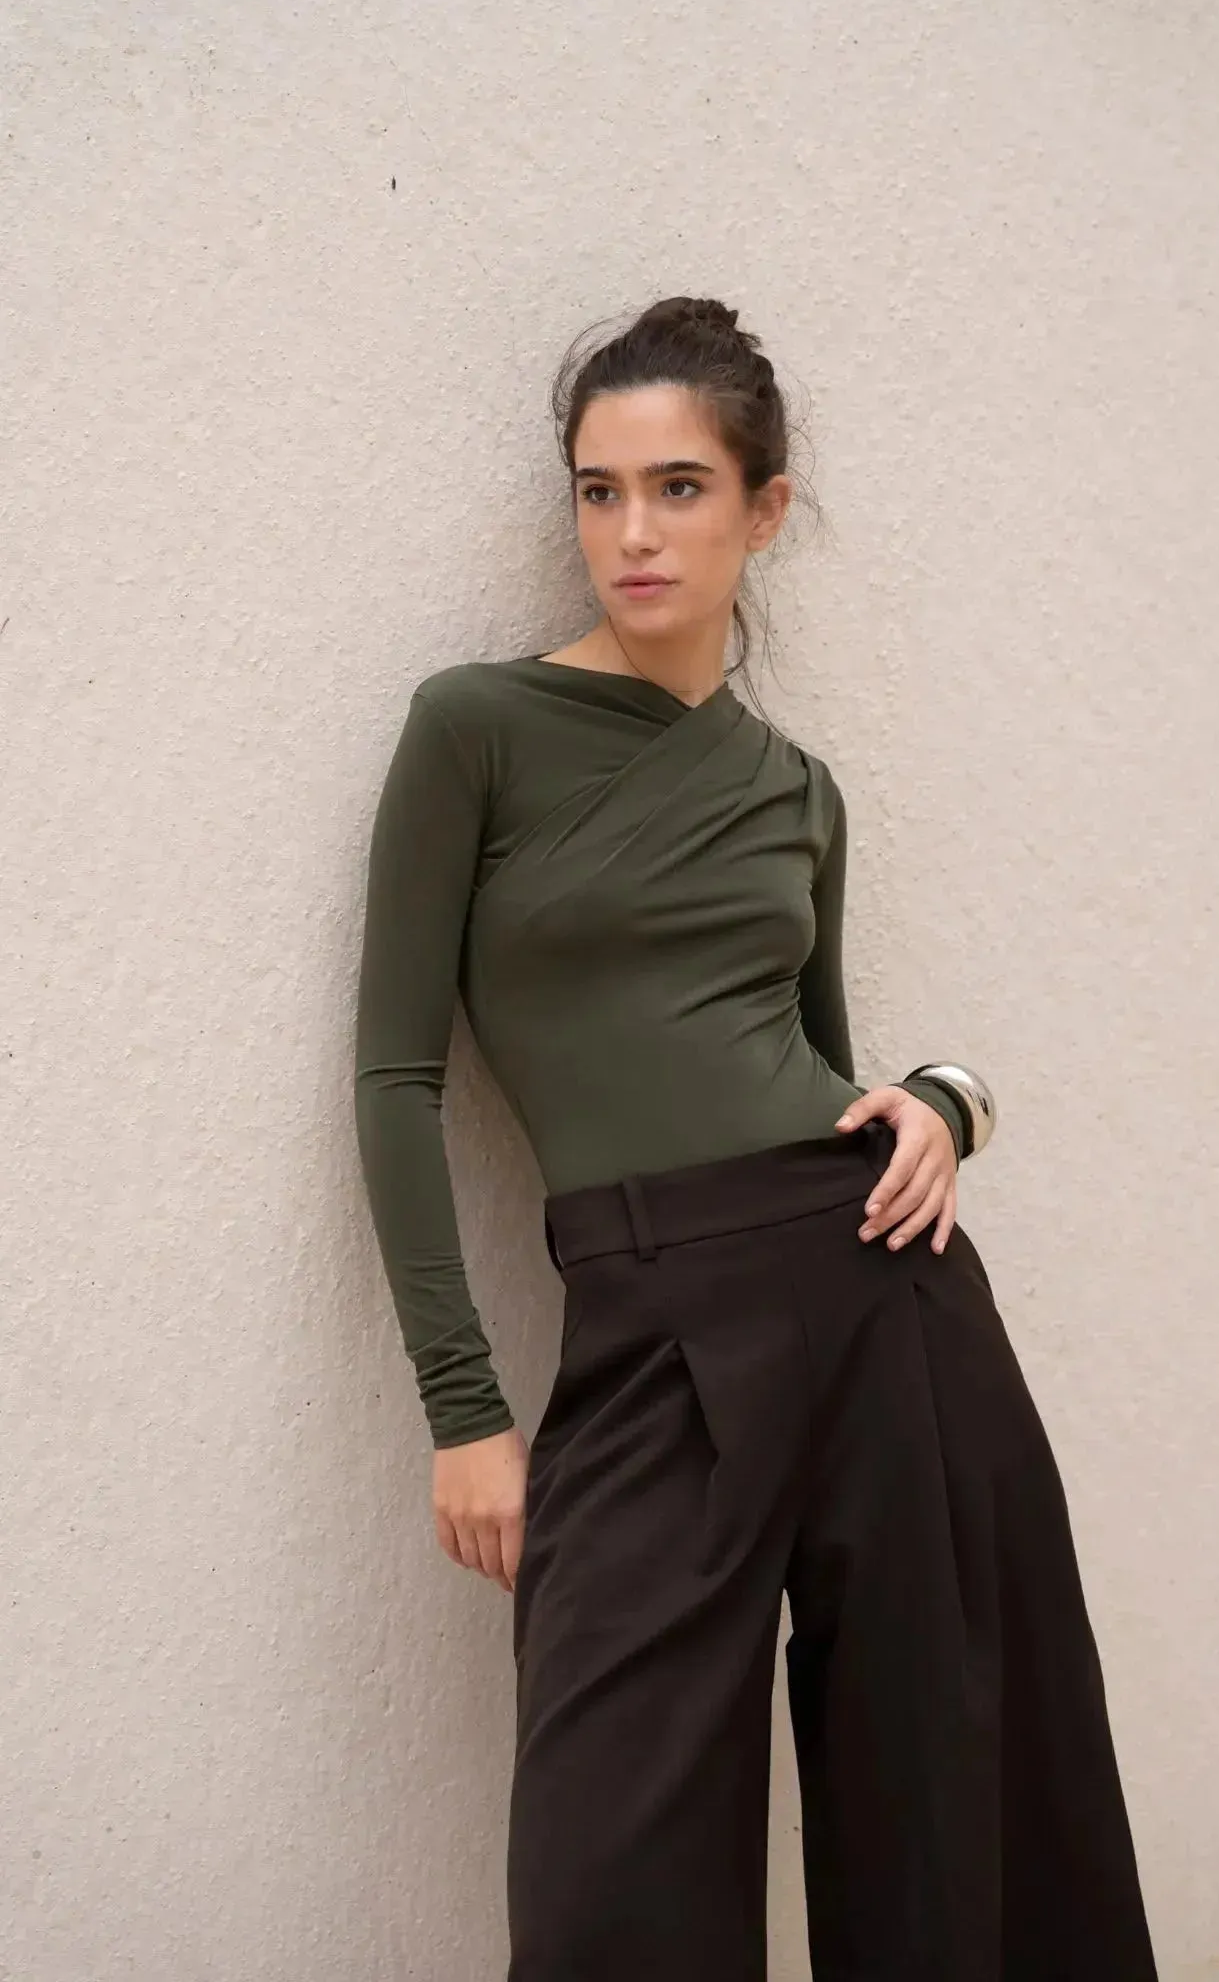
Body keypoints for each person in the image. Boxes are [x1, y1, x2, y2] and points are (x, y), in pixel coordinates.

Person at [353, 295, 1158, 1980]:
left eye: (679, 488)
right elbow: (395, 1080)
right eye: (599, 491)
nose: (633, 533)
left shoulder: (799, 792)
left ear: (763, 508)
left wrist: (952, 1102)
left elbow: (827, 1069)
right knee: (609, 1881)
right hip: (646, 1325)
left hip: (886, 1304)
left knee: (957, 1835)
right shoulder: (473, 729)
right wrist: (464, 1408)